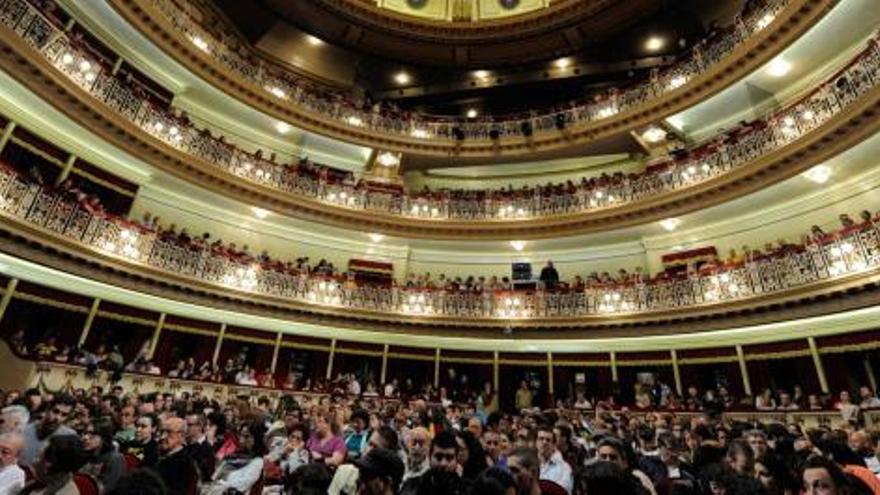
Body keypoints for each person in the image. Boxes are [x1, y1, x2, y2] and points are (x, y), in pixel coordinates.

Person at [206, 420, 265, 495]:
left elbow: (240, 486)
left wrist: (220, 484)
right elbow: (215, 476)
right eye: (241, 435)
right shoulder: (233, 456)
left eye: (247, 437)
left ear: (257, 439)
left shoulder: (257, 462)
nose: (242, 440)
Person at [20, 394, 77, 467]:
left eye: (64, 415)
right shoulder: (25, 429)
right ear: (48, 409)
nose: (58, 418)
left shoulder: (69, 437)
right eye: (55, 411)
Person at [19, 435, 85, 495]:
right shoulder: (43, 482)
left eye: (38, 456)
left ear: (48, 464)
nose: (34, 462)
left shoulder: (63, 491)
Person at [79, 418, 125, 492]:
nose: (85, 438)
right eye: (85, 433)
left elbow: (109, 489)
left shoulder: (115, 459)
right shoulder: (85, 455)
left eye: (92, 434)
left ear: (104, 437)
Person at [155, 417, 198, 495]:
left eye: (168, 432)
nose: (162, 437)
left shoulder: (185, 463)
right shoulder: (159, 455)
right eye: (161, 432)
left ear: (181, 435)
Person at [536, 425, 573, 493]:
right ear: (536, 442)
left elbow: (562, 491)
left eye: (548, 440)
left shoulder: (564, 468)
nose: (544, 442)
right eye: (541, 439)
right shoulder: (529, 464)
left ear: (553, 445)